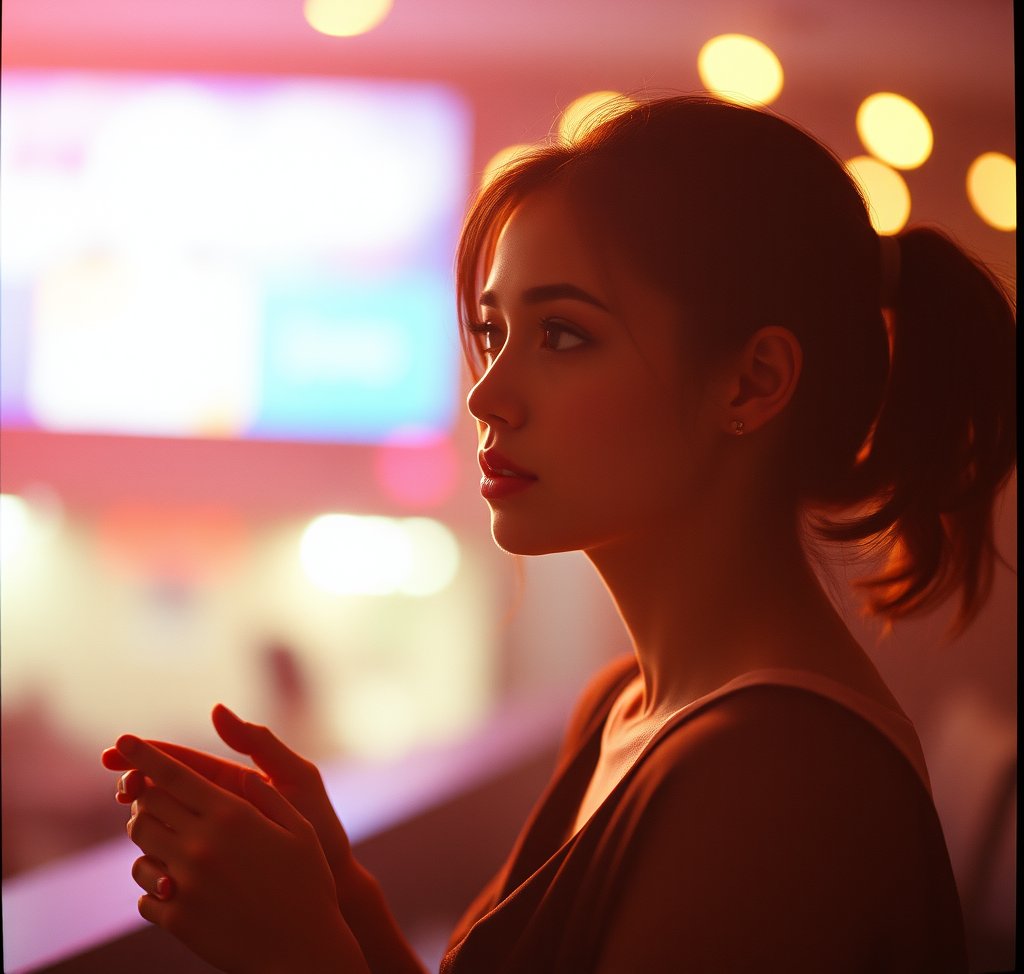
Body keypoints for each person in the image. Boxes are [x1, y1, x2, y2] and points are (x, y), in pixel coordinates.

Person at [103, 95, 1016, 973]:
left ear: (751, 383)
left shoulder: (775, 785)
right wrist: (340, 893)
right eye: (494, 331)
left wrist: (292, 951)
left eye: (565, 335)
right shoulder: (625, 706)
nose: (485, 394)